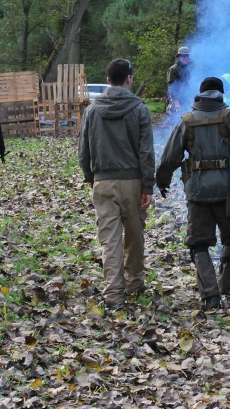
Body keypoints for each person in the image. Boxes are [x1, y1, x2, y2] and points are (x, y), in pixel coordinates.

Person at [156, 77, 230, 310]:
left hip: (198, 191)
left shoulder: (187, 122)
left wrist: (162, 180)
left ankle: (211, 295)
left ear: (200, 95)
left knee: (198, 243)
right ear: (221, 94)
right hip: (228, 190)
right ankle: (228, 279)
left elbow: (170, 157)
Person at [78, 58, 155, 310]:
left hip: (103, 182)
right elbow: (146, 152)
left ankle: (113, 294)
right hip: (133, 182)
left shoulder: (91, 110)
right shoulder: (140, 109)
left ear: (108, 80)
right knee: (135, 236)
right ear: (129, 79)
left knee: (109, 240)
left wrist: (91, 178)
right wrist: (147, 186)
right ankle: (134, 284)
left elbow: (83, 151)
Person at [166, 46, 192, 113]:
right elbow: (172, 88)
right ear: (179, 57)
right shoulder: (173, 69)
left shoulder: (189, 68)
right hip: (176, 101)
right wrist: (177, 105)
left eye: (187, 56)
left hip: (186, 100)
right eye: (184, 56)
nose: (186, 58)